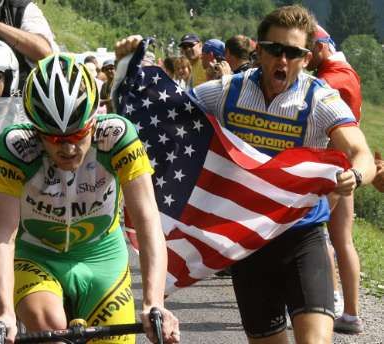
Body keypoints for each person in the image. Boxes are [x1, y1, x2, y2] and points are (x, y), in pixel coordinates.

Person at [115, 5, 376, 344]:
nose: (282, 60)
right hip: (247, 244)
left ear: (307, 58)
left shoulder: (319, 99)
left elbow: (361, 152)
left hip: (302, 236)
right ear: (259, 50)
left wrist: (355, 175)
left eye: (293, 53)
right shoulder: (228, 91)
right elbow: (166, 116)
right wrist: (127, 68)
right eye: (274, 50)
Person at [0, 53, 180, 344]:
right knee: (49, 324)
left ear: (94, 120)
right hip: (37, 254)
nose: (69, 148)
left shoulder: (117, 136)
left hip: (101, 255)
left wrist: (154, 301)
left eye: (79, 134)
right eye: (54, 139)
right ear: (36, 130)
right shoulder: (16, 147)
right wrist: (4, 313)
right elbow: (0, 236)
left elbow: (148, 222)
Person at [306, 24, 364, 332]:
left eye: (306, 51)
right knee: (342, 239)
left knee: (321, 235)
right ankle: (349, 313)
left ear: (319, 48)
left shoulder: (329, 80)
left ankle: (330, 302)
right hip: (346, 166)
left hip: (330, 168)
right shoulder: (348, 72)